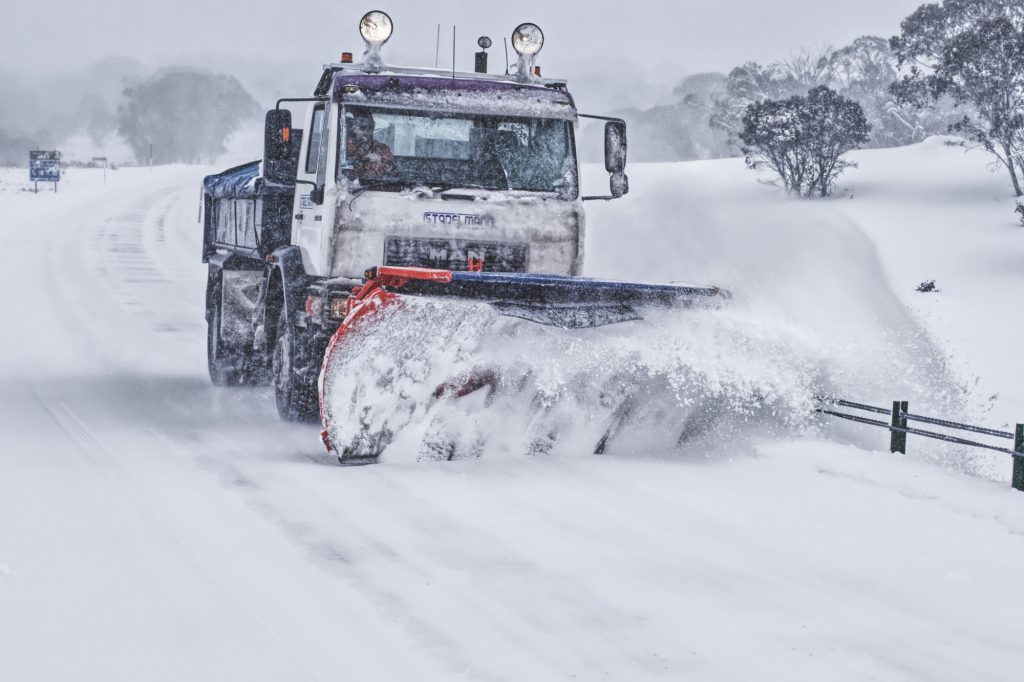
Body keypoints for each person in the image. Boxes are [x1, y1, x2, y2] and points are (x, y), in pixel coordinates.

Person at [345, 111, 394, 176]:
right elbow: (341, 166)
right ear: (354, 128)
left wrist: (380, 159)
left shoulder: (382, 148)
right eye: (362, 127)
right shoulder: (344, 147)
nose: (367, 131)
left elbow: (390, 168)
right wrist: (363, 160)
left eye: (370, 127)